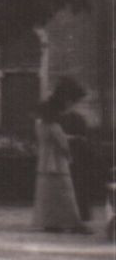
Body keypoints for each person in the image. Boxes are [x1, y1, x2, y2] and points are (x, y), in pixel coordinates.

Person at [32, 81, 88, 232]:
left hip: (43, 162)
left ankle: (51, 223)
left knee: (47, 195)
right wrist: (72, 149)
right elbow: (63, 142)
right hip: (57, 162)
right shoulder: (54, 126)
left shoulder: (40, 125)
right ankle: (75, 224)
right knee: (65, 193)